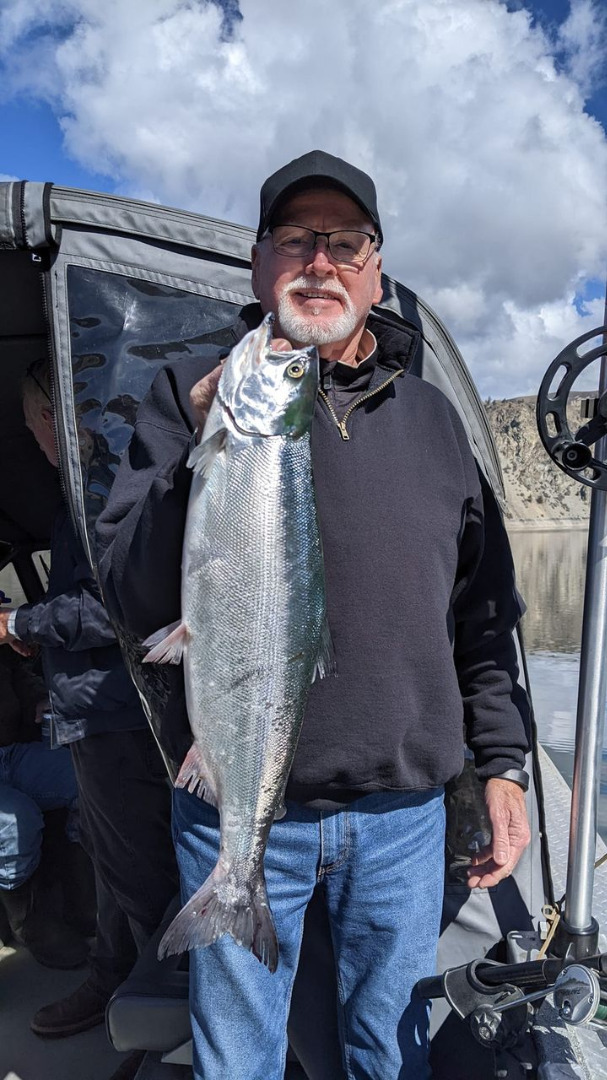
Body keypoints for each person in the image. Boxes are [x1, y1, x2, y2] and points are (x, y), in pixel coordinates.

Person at [95, 150, 532, 1080]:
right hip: (237, 811)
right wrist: (197, 450)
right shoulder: (191, 393)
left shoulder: (432, 419)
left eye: (345, 242)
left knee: (391, 1050)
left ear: (376, 270)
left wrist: (500, 765)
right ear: (258, 265)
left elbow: (484, 613)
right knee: (239, 1058)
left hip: (405, 817)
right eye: (294, 239)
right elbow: (128, 590)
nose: (318, 261)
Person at [0, 360, 179, 1079]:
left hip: (117, 715)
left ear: (59, 417)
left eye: (35, 417)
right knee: (114, 863)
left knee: (140, 875)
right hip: (89, 713)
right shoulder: (84, 491)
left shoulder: (105, 488)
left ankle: (156, 1024)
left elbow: (115, 604)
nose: (32, 433)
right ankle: (117, 986)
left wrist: (21, 623)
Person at [0, 644, 90, 968]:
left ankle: (81, 898)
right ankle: (28, 921)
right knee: (15, 820)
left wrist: (38, 696)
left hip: (11, 752)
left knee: (87, 782)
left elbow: (16, 675)